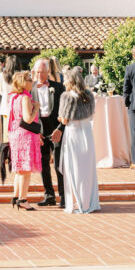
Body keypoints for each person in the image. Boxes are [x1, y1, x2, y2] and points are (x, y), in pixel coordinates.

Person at [54, 68, 99, 214]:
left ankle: (75, 201)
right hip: (87, 133)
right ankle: (88, 201)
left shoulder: (67, 96)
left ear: (71, 81)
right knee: (87, 169)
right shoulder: (89, 95)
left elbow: (65, 119)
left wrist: (60, 119)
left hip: (73, 133)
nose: (63, 81)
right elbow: (91, 115)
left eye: (65, 79)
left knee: (74, 168)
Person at [31, 59, 65, 206]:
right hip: (40, 127)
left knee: (59, 163)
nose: (39, 75)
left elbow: (65, 110)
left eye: (42, 72)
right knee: (43, 163)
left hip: (55, 126)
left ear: (48, 72)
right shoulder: (31, 89)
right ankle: (49, 195)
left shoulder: (58, 87)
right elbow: (28, 113)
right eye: (37, 72)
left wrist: (61, 129)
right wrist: (35, 131)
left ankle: (64, 196)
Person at [6, 70, 41, 211]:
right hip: (25, 135)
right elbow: (27, 118)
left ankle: (16, 196)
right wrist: (36, 109)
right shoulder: (25, 97)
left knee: (19, 169)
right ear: (23, 82)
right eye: (29, 80)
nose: (31, 82)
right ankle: (23, 198)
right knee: (25, 170)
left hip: (15, 134)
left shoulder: (14, 97)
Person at [0, 55, 20, 140]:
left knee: (7, 132)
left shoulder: (2, 75)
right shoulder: (21, 75)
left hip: (6, 106)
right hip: (19, 105)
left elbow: (1, 91)